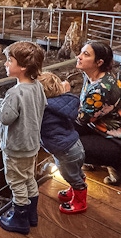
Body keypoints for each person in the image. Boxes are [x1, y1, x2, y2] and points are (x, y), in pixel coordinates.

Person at [0, 41, 47, 235]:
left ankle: (20, 218)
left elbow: (5, 117)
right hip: (32, 144)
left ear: (22, 67)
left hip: (16, 147)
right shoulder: (38, 87)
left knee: (16, 182)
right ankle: (32, 214)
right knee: (29, 178)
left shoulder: (14, 93)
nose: (5, 64)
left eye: (9, 60)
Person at [75, 41, 121, 186]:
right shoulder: (94, 77)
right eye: (81, 52)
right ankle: (94, 159)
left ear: (99, 62)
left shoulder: (102, 88)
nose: (78, 57)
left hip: (120, 143)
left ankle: (117, 164)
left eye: (86, 54)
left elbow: (81, 119)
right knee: (68, 129)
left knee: (69, 144)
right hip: (104, 129)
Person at [38, 72, 88, 214]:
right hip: (75, 145)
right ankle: (75, 188)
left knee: (69, 175)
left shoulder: (45, 110)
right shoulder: (63, 105)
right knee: (75, 172)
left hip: (66, 151)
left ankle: (80, 201)